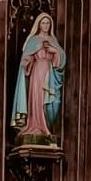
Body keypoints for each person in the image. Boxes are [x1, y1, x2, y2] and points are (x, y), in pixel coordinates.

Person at [11, 14, 66, 142]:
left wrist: (55, 51)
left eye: (48, 23)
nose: (46, 26)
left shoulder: (53, 41)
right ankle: (34, 124)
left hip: (49, 74)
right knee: (36, 98)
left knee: (46, 100)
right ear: (39, 24)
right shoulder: (33, 40)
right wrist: (27, 61)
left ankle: (44, 126)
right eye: (43, 23)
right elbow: (27, 58)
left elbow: (61, 60)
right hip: (36, 72)